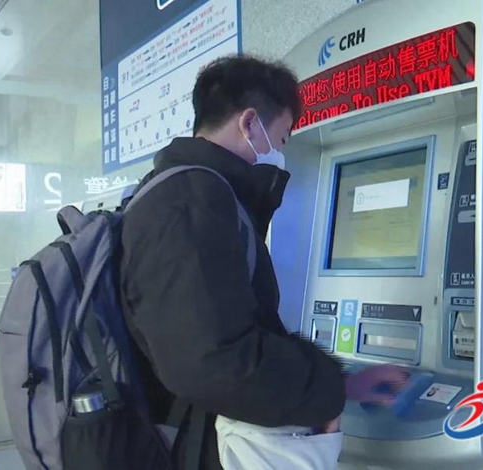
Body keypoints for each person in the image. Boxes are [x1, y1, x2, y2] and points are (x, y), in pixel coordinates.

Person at [119, 55, 409, 470]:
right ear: (250, 123)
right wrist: (328, 393)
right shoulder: (192, 203)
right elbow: (213, 364)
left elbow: (219, 335)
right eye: (283, 138)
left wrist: (342, 383)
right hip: (198, 446)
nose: (280, 152)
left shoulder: (188, 192)